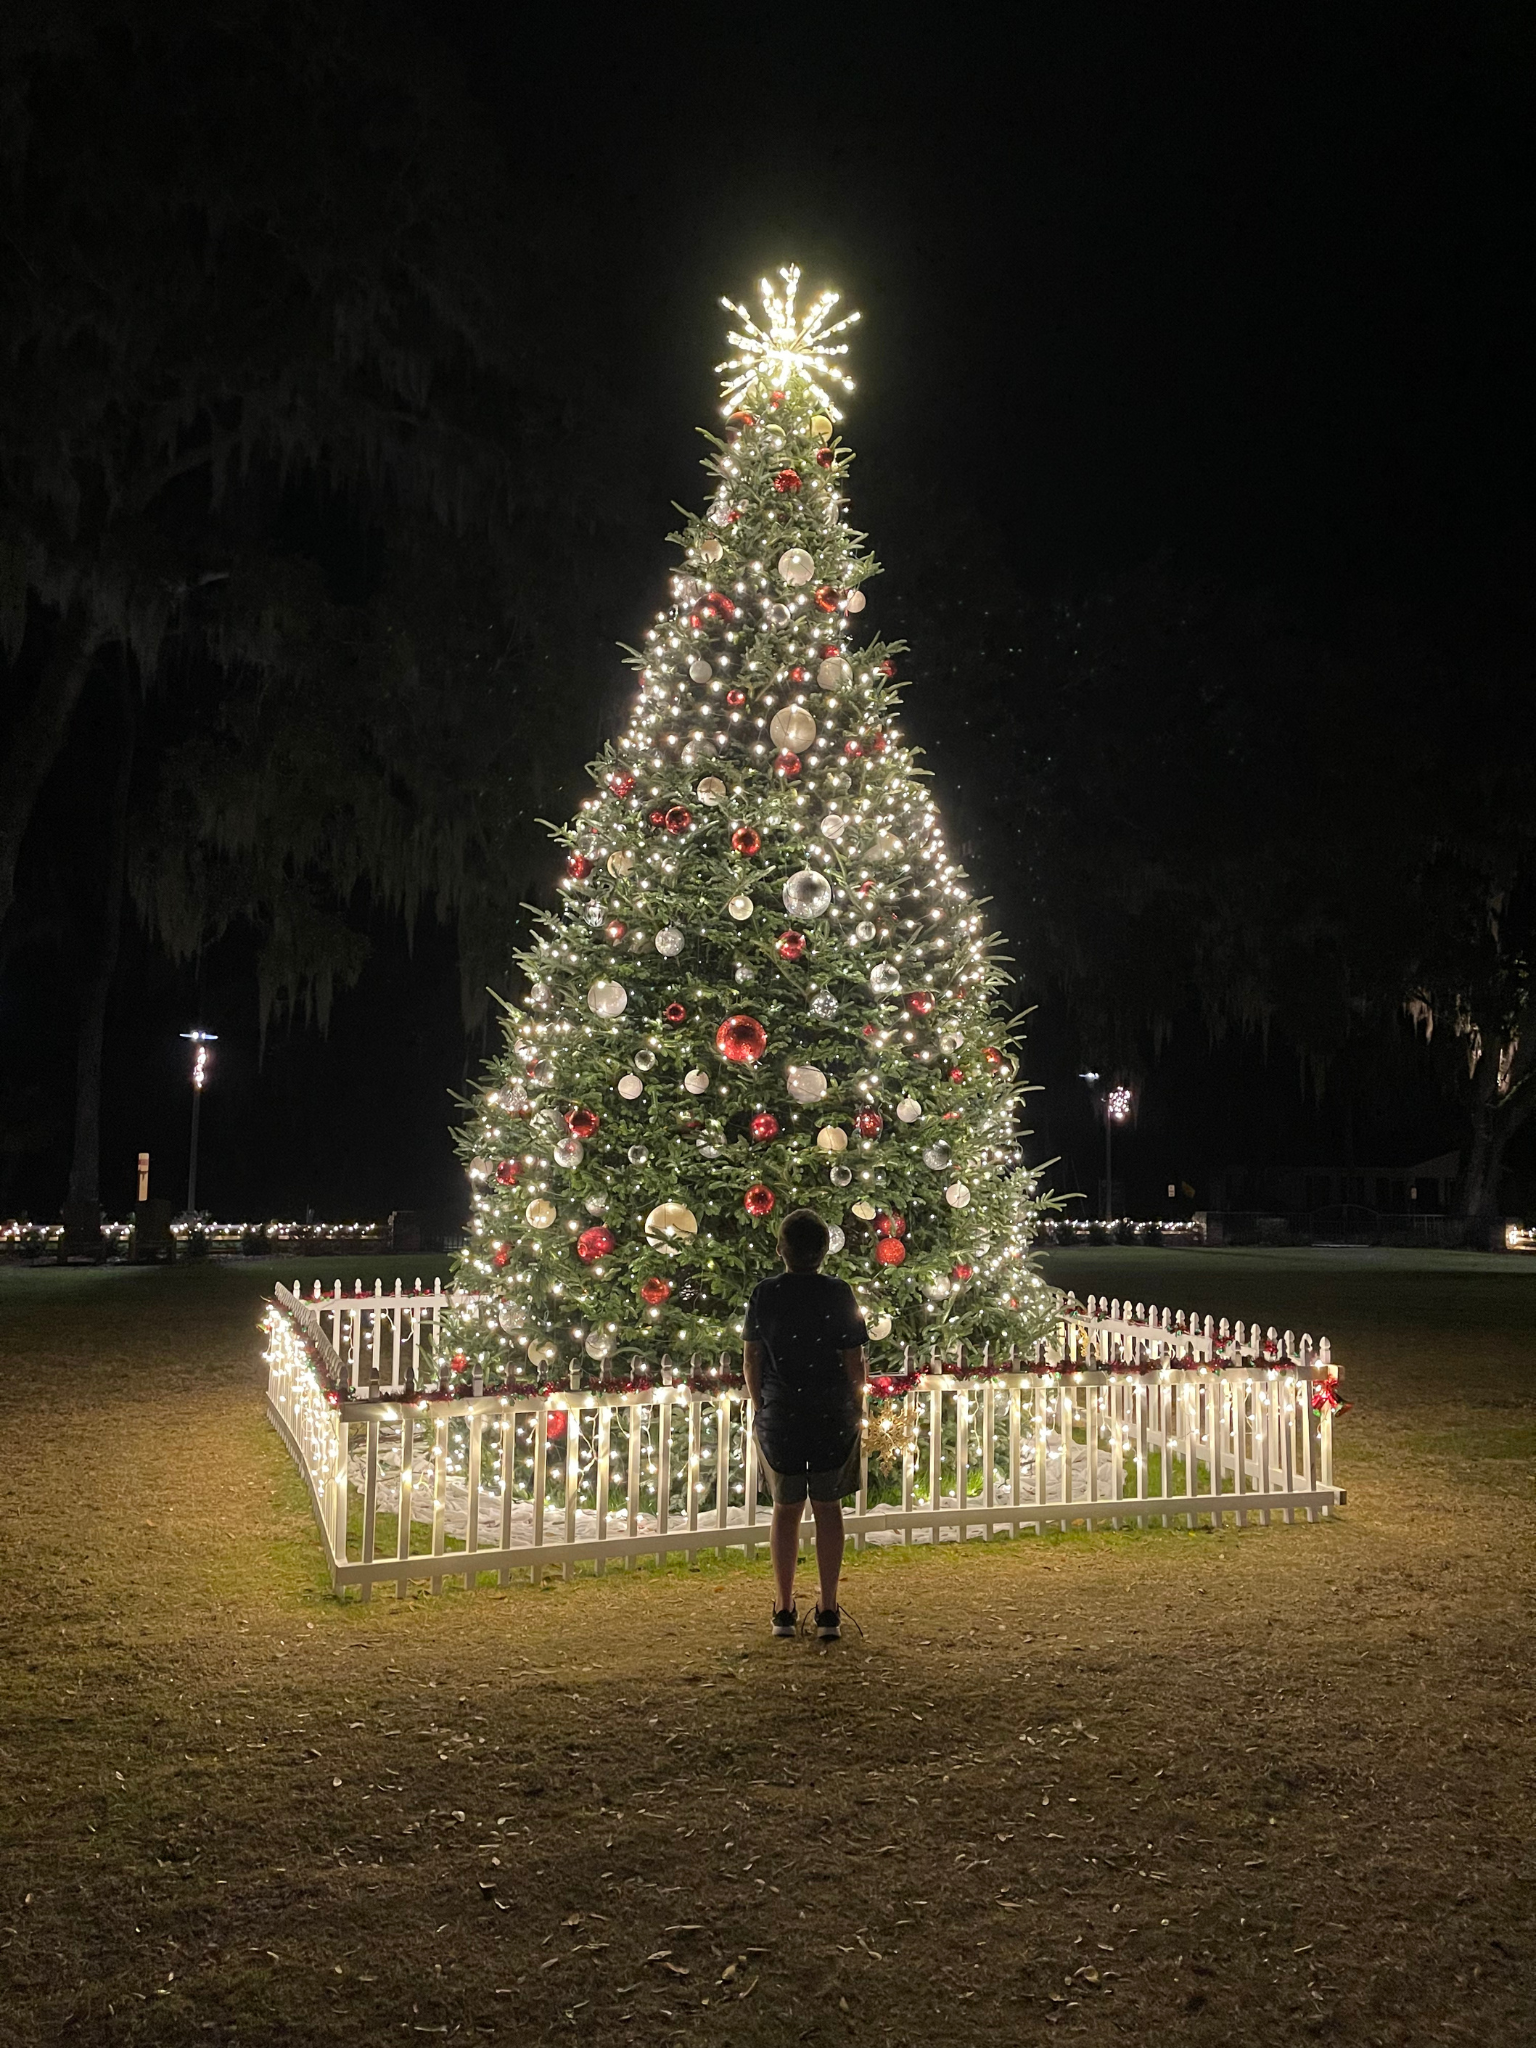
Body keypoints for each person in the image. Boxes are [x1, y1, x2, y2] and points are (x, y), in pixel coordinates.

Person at [742, 1207, 868, 1641]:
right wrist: (857, 1403)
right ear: (823, 1251)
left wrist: (762, 1403)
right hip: (831, 1413)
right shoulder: (839, 1294)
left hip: (782, 1415)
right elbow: (855, 1360)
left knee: (785, 1509)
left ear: (782, 1250)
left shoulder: (765, 1294)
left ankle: (783, 1607)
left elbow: (752, 1357)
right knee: (828, 1508)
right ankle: (829, 1609)